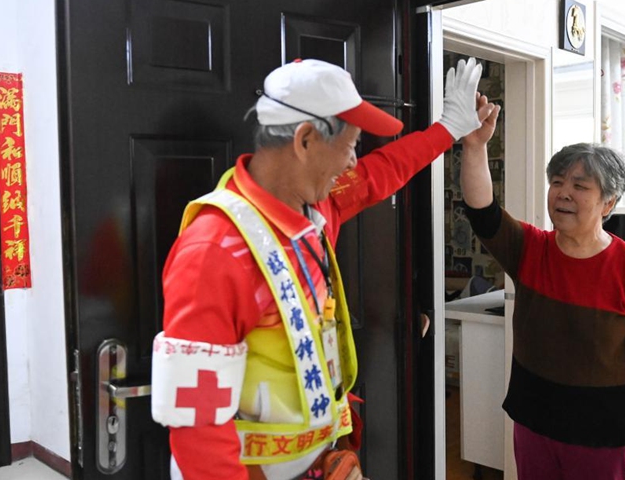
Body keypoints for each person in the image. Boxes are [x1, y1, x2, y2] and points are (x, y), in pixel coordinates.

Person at [150, 57, 496, 479]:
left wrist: (449, 130)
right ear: (306, 139)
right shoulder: (216, 250)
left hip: (318, 461)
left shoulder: (314, 208)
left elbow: (382, 172)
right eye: (350, 146)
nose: (353, 163)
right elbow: (197, 421)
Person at [459, 106, 625, 480]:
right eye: (557, 182)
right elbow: (484, 212)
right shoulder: (530, 249)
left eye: (580, 185)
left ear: (608, 203)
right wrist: (475, 145)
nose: (563, 193)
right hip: (533, 421)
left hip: (601, 435)